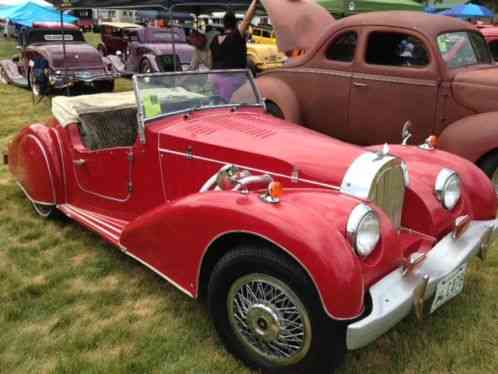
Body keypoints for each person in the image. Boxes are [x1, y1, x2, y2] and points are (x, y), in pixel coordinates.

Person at [210, 0, 258, 69]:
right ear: (235, 24)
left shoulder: (215, 39)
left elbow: (211, 61)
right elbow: (247, 20)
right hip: (235, 75)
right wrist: (255, 1)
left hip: (216, 75)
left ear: (224, 24)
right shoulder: (236, 35)